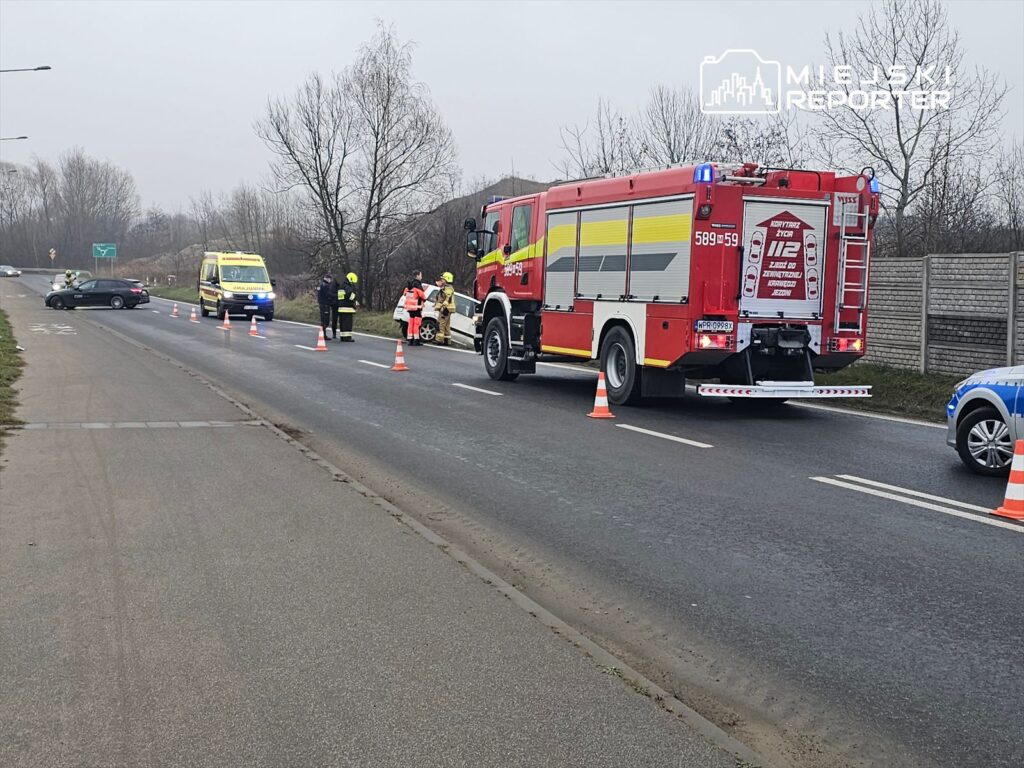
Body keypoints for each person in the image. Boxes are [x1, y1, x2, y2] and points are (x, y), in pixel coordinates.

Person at [434, 271, 456, 346]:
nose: (441, 280)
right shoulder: (446, 288)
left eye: (442, 279)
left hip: (445, 309)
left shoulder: (448, 288)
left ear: (447, 279)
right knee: (446, 326)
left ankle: (439, 340)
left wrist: (443, 307)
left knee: (441, 324)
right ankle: (447, 340)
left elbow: (447, 298)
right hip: (447, 309)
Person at [402, 278, 426, 346]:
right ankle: (416, 340)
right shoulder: (417, 290)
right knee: (416, 325)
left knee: (411, 324)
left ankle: (410, 340)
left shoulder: (407, 289)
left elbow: (405, 295)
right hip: (416, 309)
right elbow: (424, 297)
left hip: (409, 309)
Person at [336, 271, 358, 342]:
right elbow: (350, 295)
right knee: (347, 324)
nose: (353, 284)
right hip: (347, 308)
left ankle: (343, 337)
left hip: (341, 307)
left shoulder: (342, 286)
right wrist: (354, 299)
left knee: (342, 324)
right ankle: (347, 338)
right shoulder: (347, 287)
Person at [316, 273, 337, 339]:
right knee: (325, 320)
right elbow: (328, 294)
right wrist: (336, 295)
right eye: (330, 279)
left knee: (323, 319)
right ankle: (323, 335)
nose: (330, 281)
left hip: (322, 303)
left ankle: (323, 334)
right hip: (325, 304)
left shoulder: (321, 284)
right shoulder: (325, 285)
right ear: (327, 278)